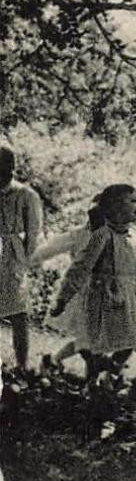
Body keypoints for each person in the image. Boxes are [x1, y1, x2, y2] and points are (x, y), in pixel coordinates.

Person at [52, 184, 136, 382]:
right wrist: (63, 297)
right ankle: (91, 385)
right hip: (99, 296)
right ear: (114, 206)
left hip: (125, 298)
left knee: (130, 339)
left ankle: (111, 373)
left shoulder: (135, 239)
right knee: (93, 345)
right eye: (132, 201)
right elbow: (80, 267)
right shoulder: (101, 236)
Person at [33, 199, 104, 368]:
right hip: (81, 292)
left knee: (94, 338)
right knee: (91, 339)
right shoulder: (78, 235)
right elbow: (50, 248)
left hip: (103, 292)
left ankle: (55, 361)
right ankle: (87, 377)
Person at [0, 146, 45, 370]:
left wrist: (24, 258)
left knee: (18, 312)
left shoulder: (26, 195)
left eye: (4, 166)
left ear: (11, 168)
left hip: (12, 256)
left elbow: (34, 231)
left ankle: (22, 365)